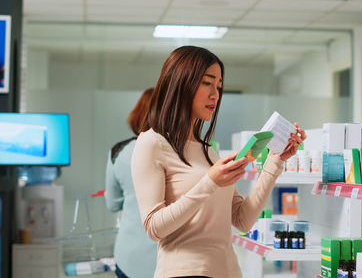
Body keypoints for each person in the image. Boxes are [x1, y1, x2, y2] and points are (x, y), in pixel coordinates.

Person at [131, 46, 305, 278]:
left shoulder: (208, 151)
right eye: (207, 83)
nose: (216, 94)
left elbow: (242, 220)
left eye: (219, 86)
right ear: (181, 83)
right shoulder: (151, 143)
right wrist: (209, 182)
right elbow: (154, 228)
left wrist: (275, 162)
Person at [104, 88, 157, 278]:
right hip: (169, 261)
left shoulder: (119, 152)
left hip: (129, 259)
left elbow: (112, 204)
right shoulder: (180, 152)